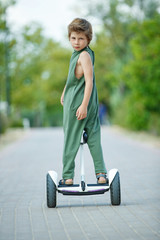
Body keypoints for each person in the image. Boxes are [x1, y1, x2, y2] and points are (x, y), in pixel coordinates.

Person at [60, 18, 107, 185]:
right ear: (69, 37)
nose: (76, 42)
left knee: (71, 139)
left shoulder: (84, 55)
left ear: (88, 39)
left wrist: (83, 105)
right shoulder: (82, 54)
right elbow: (74, 78)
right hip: (88, 102)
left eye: (81, 38)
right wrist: (65, 90)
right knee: (94, 137)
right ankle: (101, 174)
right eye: (73, 38)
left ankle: (67, 176)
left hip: (79, 104)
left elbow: (89, 81)